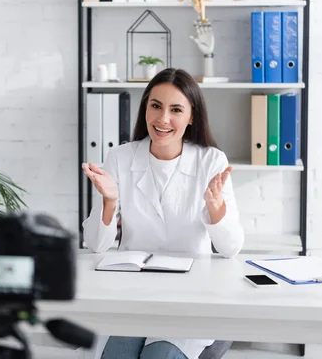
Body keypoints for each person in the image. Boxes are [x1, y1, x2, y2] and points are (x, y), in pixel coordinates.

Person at [82, 68, 244, 359]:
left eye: (176, 109)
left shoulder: (211, 160)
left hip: (191, 294)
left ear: (192, 116)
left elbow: (231, 248)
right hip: (133, 293)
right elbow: (96, 245)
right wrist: (109, 201)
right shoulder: (120, 157)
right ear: (145, 107)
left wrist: (215, 207)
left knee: (160, 356)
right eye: (155, 106)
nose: (163, 119)